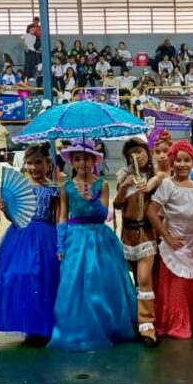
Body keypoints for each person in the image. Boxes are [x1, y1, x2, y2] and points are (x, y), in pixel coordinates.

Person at [50, 140, 137, 351]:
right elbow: (62, 217)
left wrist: (93, 200)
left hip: (99, 237)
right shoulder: (66, 187)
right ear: (71, 161)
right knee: (75, 284)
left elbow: (104, 214)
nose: (82, 163)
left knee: (102, 282)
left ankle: (109, 325)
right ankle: (79, 328)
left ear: (94, 160)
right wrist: (60, 244)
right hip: (75, 239)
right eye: (77, 159)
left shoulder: (102, 185)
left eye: (86, 158)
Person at [0, 144, 61, 346]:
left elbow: (58, 218)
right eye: (29, 163)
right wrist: (5, 211)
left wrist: (60, 242)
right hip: (21, 237)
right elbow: (16, 218)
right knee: (20, 276)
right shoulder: (21, 188)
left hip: (47, 236)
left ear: (47, 164)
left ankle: (45, 326)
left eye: (38, 162)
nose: (34, 167)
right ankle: (29, 323)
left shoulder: (54, 189)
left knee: (45, 279)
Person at [147, 140, 193, 340]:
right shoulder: (167, 184)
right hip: (175, 243)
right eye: (178, 160)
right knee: (178, 285)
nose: (182, 164)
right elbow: (151, 211)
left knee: (191, 284)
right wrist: (167, 236)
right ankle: (175, 324)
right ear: (172, 162)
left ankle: (191, 320)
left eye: (187, 160)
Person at [113, 137, 161, 345]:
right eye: (132, 153)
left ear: (147, 153)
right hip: (128, 235)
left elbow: (157, 184)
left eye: (140, 151)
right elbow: (116, 205)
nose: (137, 156)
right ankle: (136, 318)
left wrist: (148, 185)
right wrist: (124, 187)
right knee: (134, 281)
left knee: (144, 280)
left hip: (147, 234)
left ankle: (147, 326)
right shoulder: (123, 176)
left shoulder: (154, 175)